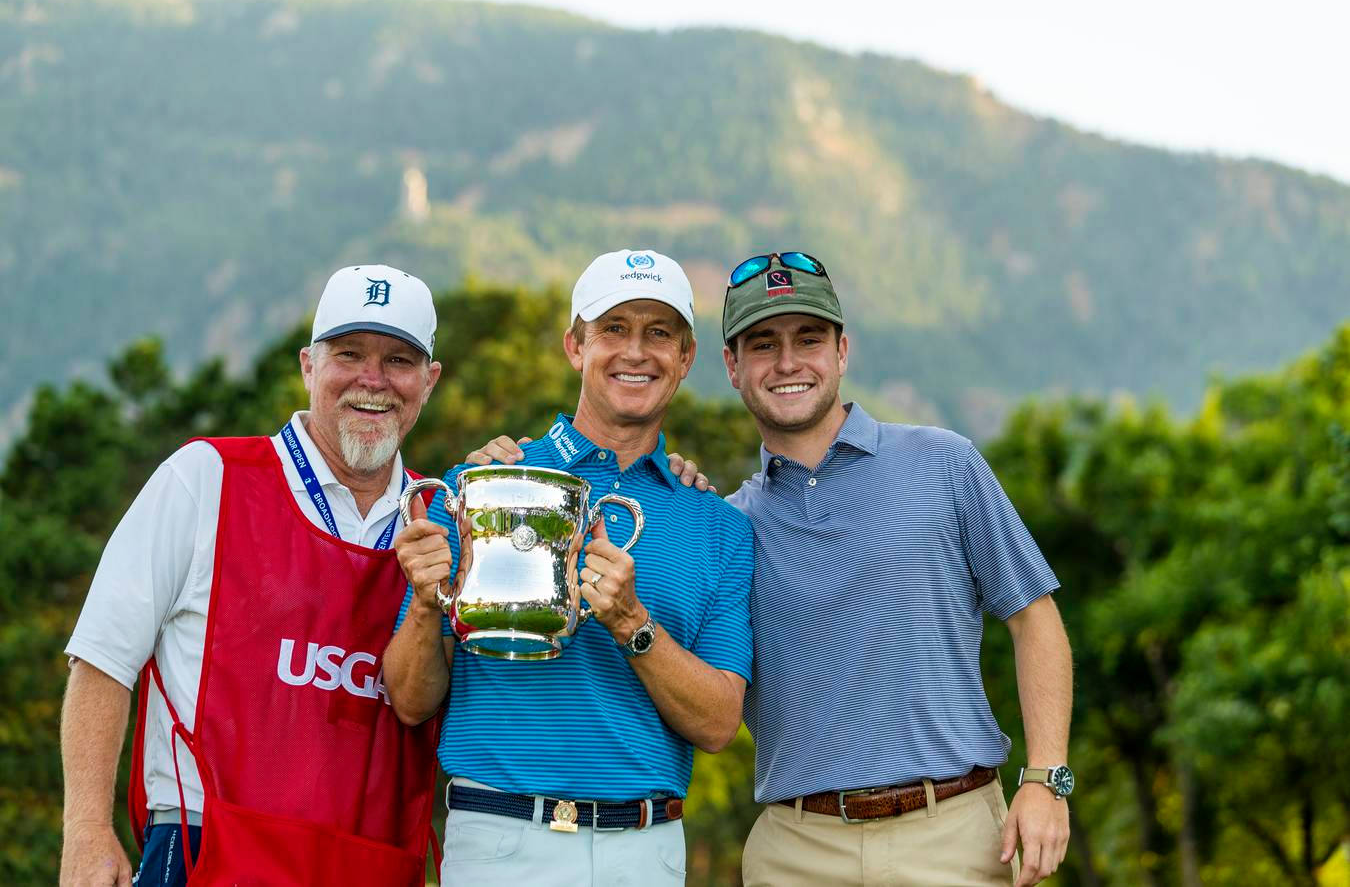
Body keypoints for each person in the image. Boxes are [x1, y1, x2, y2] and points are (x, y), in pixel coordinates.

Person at [474, 251, 1074, 886]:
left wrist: (1047, 778)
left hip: (950, 833)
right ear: (731, 366)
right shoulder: (729, 522)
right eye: (763, 344)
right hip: (795, 850)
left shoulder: (943, 464)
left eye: (808, 340)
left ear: (842, 351)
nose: (788, 363)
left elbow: (1036, 621)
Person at [60, 265, 445, 887]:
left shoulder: (443, 525)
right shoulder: (207, 477)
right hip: (207, 844)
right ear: (308, 367)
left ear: (428, 383)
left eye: (398, 360)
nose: (373, 381)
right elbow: (102, 658)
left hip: (372, 859)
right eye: (349, 354)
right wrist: (85, 831)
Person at [384, 249, 753, 885]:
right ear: (575, 346)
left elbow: (719, 723)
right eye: (613, 329)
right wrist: (424, 602)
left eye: (658, 333)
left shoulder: (717, 525)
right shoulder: (486, 486)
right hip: (499, 839)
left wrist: (633, 624)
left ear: (685, 358)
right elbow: (411, 701)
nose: (635, 352)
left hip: (644, 849)